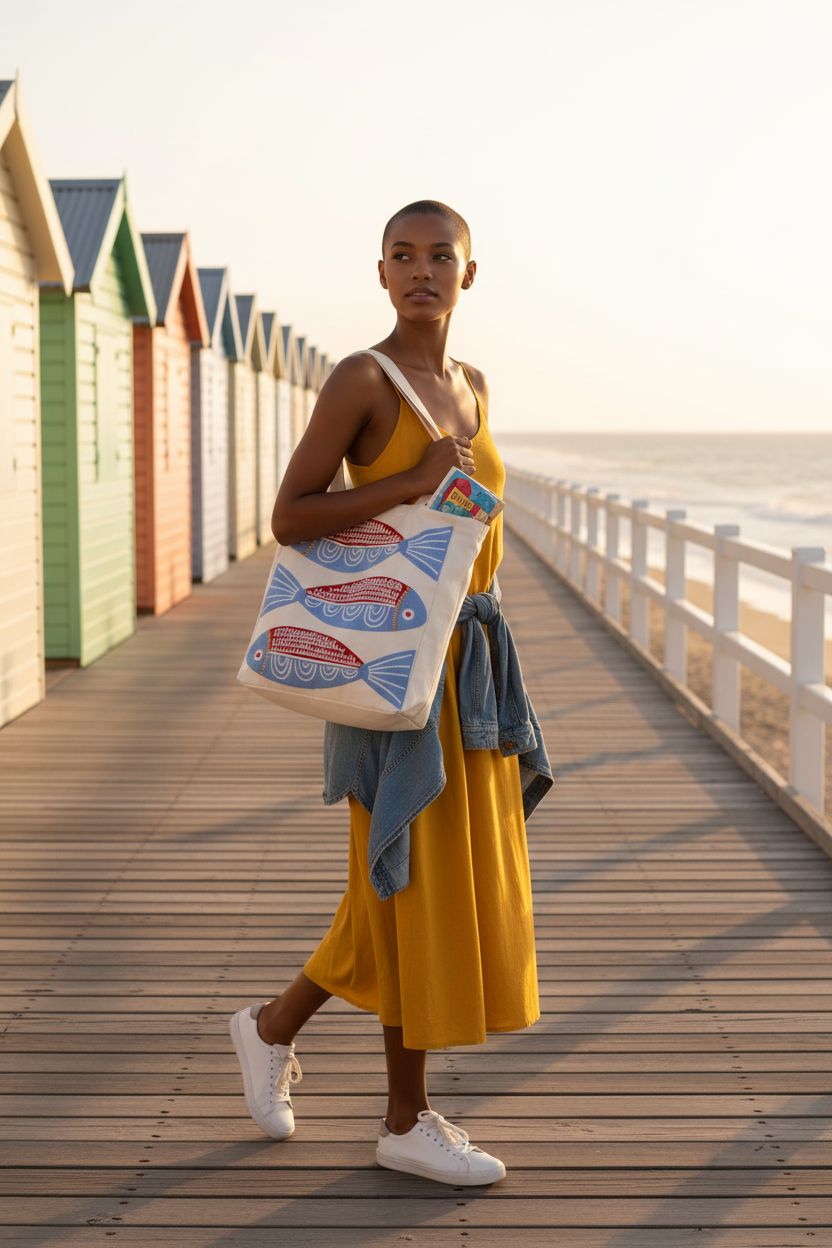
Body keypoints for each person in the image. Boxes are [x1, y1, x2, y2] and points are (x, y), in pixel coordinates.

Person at [230, 199, 553, 1187]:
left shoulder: (474, 386)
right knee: (404, 882)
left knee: (404, 884)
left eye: (440, 256)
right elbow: (292, 516)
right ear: (379, 275)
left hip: (471, 673)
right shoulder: (361, 380)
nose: (422, 270)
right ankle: (404, 1120)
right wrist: (405, 477)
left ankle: (272, 1026)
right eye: (402, 256)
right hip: (391, 667)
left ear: (469, 273)